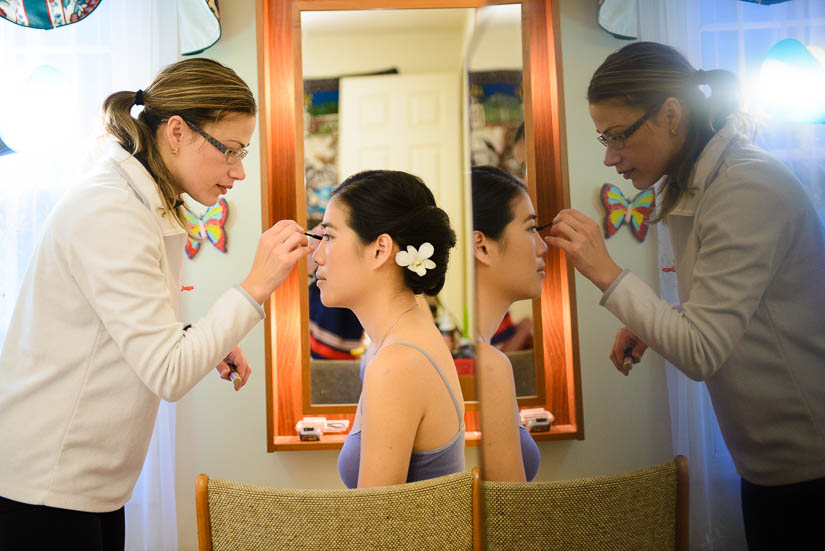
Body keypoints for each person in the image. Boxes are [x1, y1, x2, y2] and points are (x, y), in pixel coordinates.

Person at [0, 58, 312, 550]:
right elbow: (167, 374)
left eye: (244, 151)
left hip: (93, 485)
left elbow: (119, 327)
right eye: (230, 150)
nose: (240, 170)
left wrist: (199, 340)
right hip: (48, 484)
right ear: (176, 131)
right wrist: (257, 283)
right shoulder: (111, 209)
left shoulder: (146, 200)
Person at [546, 41, 825, 550]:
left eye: (618, 137)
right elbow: (734, 311)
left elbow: (701, 351)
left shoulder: (745, 188)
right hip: (768, 465)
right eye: (602, 138)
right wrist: (660, 321)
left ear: (671, 114)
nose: (609, 158)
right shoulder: (694, 184)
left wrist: (606, 272)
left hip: (809, 467)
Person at [311, 170, 463, 489]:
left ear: (380, 250)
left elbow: (378, 529)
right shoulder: (403, 329)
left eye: (330, 236)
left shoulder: (397, 364)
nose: (317, 255)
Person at [472, 165, 543, 482]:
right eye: (530, 229)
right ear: (482, 246)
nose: (542, 246)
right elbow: (507, 517)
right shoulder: (485, 365)